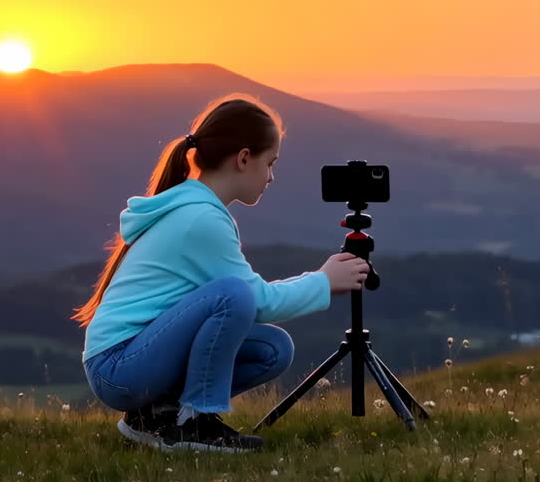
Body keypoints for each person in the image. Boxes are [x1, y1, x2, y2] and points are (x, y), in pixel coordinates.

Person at [74, 93, 370, 454]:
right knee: (233, 295)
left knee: (272, 349)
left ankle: (157, 417)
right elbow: (256, 301)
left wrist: (321, 280)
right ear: (243, 158)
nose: (271, 176)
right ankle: (195, 422)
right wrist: (323, 282)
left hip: (129, 360)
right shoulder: (202, 219)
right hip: (119, 369)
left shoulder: (194, 207)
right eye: (270, 163)